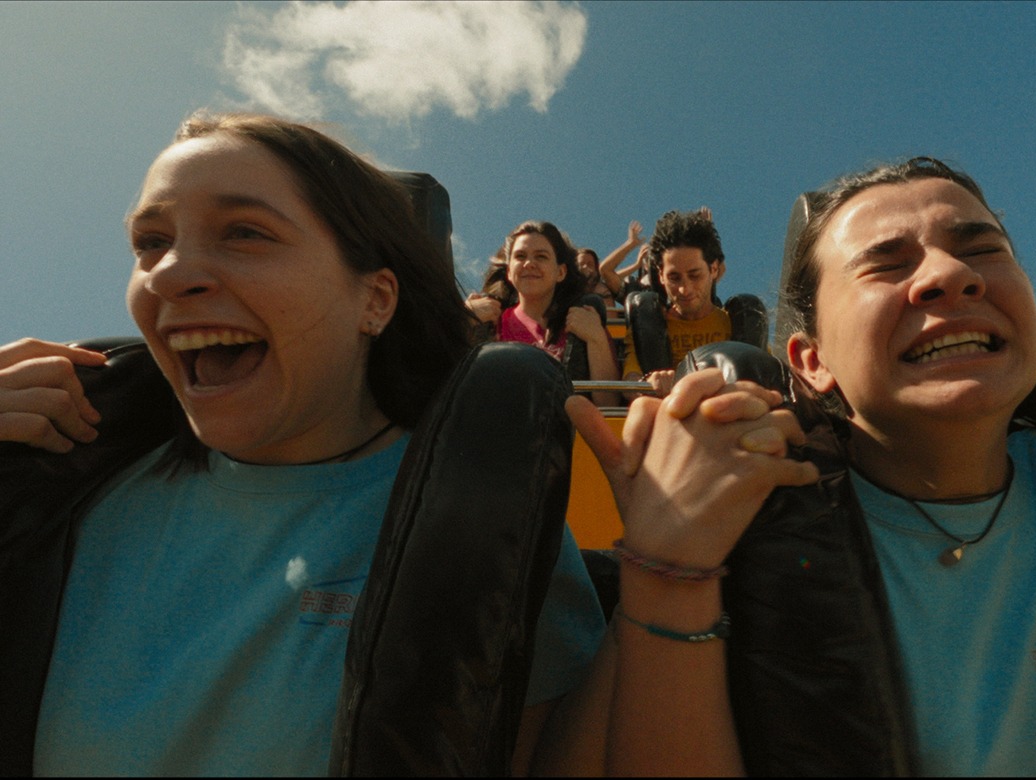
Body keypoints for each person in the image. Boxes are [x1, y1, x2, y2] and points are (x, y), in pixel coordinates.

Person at [0, 112, 605, 776]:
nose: (169, 274)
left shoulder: (488, 510)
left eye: (244, 233)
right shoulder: (66, 491)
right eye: (150, 241)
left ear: (375, 299)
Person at [565, 157, 1036, 775]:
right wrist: (668, 570)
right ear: (810, 360)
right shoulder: (750, 537)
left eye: (982, 250)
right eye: (887, 263)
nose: (951, 276)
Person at [467, 221, 620, 406]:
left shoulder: (585, 320)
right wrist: (462, 318)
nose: (529, 264)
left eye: (541, 257)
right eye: (520, 256)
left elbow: (608, 403)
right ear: (509, 272)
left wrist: (597, 339)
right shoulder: (488, 321)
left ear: (561, 272)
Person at [621, 209, 732, 397]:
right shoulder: (647, 326)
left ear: (713, 269)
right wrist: (647, 383)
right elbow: (630, 381)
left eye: (694, 275)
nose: (684, 289)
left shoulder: (734, 323)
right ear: (661, 276)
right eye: (674, 277)